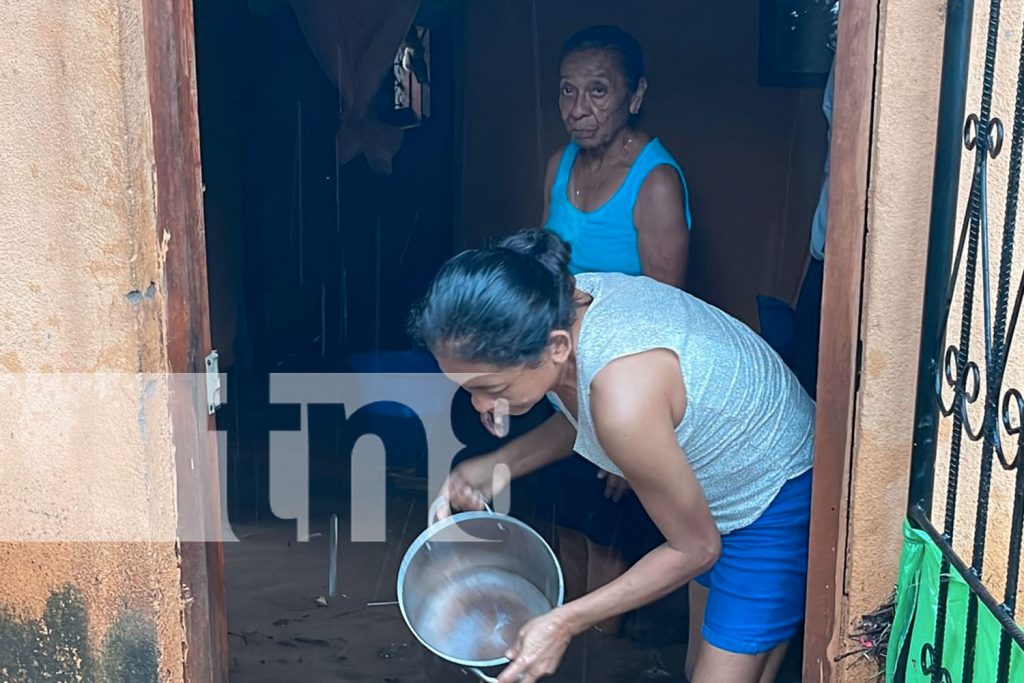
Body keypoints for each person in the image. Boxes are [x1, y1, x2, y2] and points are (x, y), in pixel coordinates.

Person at [410, 230, 814, 683]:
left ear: (556, 347)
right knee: (696, 668)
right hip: (714, 490)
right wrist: (492, 469)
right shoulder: (559, 304)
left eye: (491, 389)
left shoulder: (623, 393)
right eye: (468, 389)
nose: (481, 406)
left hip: (773, 494)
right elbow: (583, 413)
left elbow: (696, 548)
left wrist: (564, 621)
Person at [544, 25, 692, 287]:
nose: (577, 110)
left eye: (598, 90)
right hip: (556, 323)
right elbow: (542, 267)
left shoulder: (655, 183)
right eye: (568, 90)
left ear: (636, 96)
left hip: (621, 327)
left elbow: (664, 309)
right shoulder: (559, 165)